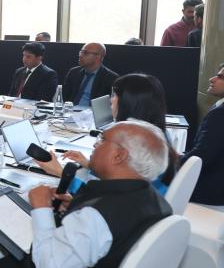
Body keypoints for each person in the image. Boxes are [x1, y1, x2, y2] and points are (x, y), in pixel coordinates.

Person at [0, 120, 172, 268]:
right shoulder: (155, 202)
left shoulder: (97, 217)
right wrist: (76, 206)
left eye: (103, 140)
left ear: (119, 156)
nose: (95, 145)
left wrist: (42, 209)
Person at [38, 73, 177, 195]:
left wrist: (61, 173)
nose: (111, 100)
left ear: (128, 102)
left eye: (114, 95)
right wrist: (90, 164)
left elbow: (102, 198)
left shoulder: (137, 144)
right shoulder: (157, 136)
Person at [183, 63, 224, 206]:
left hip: (209, 193)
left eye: (220, 77)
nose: (212, 79)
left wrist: (173, 161)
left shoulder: (220, 114)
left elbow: (201, 156)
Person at [62, 43, 118, 107]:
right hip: (70, 111)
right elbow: (64, 96)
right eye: (81, 52)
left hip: (92, 114)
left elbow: (110, 105)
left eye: (85, 53)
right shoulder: (74, 72)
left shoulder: (111, 78)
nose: (80, 55)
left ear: (98, 57)